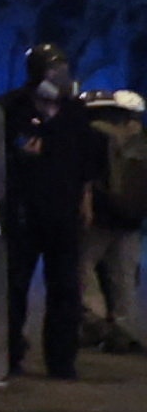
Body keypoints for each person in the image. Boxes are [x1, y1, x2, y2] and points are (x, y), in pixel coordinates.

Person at [4, 43, 99, 383]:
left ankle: (61, 360)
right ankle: (10, 354)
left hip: (63, 212)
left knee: (65, 289)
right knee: (14, 287)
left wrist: (85, 200)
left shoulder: (75, 112)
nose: (60, 78)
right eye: (52, 71)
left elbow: (86, 161)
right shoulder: (12, 108)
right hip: (23, 212)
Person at [86, 91, 147, 358]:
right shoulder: (141, 141)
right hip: (131, 219)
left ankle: (96, 323)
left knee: (83, 270)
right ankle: (124, 331)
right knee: (123, 277)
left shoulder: (94, 134)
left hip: (100, 217)